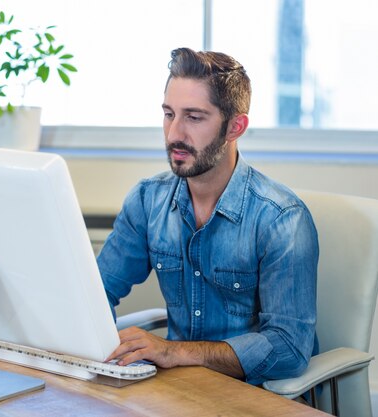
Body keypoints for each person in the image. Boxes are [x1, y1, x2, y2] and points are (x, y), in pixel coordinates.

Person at [98, 47, 319, 385]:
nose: (174, 134)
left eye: (194, 117)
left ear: (235, 126)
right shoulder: (147, 200)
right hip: (176, 393)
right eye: (169, 114)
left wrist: (176, 352)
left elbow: (290, 348)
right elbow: (97, 290)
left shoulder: (281, 220)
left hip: (255, 398)